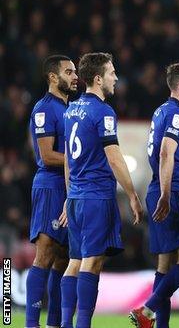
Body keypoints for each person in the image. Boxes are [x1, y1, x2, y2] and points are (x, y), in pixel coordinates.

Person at [61, 52, 143, 328]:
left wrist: (68, 193)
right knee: (91, 262)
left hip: (76, 197)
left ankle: (64, 323)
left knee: (74, 261)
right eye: (111, 73)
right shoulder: (103, 111)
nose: (116, 78)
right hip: (96, 195)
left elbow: (68, 160)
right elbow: (114, 156)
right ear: (97, 79)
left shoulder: (71, 109)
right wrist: (132, 194)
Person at [130, 63, 179, 328]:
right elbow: (164, 153)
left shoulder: (160, 111)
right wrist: (166, 193)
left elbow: (164, 158)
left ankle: (158, 324)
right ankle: (148, 310)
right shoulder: (177, 114)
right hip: (171, 192)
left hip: (161, 186)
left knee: (164, 264)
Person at [26, 55, 77, 328]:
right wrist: (81, 158)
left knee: (64, 258)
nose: (75, 76)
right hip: (50, 186)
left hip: (71, 187)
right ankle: (30, 323)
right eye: (69, 72)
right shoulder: (44, 109)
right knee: (45, 253)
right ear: (53, 77)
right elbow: (46, 156)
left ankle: (54, 324)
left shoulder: (72, 109)